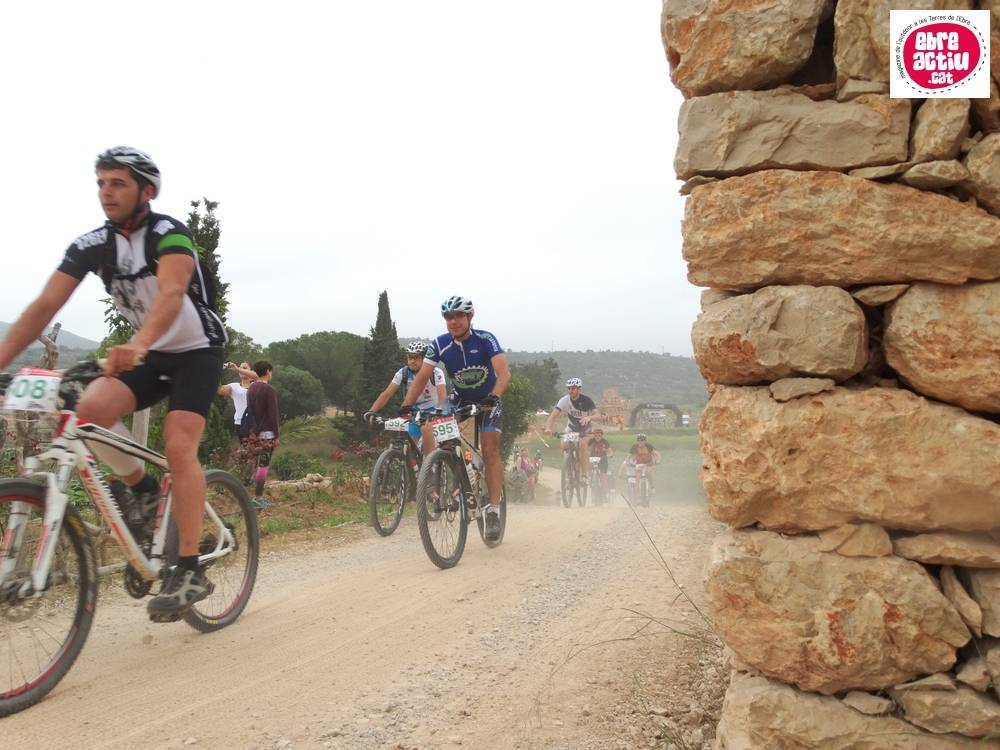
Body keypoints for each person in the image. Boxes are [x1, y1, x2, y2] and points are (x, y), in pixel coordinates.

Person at [0, 146, 225, 622]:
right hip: (150, 352)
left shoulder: (169, 234)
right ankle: (142, 489)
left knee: (179, 444)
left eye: (118, 183)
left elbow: (171, 293)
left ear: (147, 191)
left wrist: (138, 343)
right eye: (101, 183)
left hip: (195, 350)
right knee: (88, 412)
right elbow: (43, 307)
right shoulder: (92, 245)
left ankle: (189, 568)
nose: (106, 192)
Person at [397, 296, 510, 542]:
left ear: (470, 316)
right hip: (459, 399)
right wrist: (406, 404)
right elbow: (421, 377)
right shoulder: (440, 343)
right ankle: (449, 472)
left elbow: (503, 373)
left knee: (490, 450)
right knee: (436, 428)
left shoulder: (486, 339)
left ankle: (492, 511)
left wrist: (494, 396)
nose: (453, 321)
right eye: (448, 317)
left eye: (458, 316)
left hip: (488, 399)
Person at [363, 341, 447, 454]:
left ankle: (430, 462)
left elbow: (442, 396)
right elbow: (386, 394)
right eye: (409, 357)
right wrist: (372, 411)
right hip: (414, 412)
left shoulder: (435, 372)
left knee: (426, 431)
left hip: (433, 410)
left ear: (424, 359)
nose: (411, 361)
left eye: (415, 357)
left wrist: (440, 412)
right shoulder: (403, 373)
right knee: (409, 448)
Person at [543, 378, 603, 484]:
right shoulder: (564, 400)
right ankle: (569, 464)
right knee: (563, 444)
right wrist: (548, 428)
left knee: (583, 445)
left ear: (579, 389)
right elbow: (553, 416)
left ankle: (584, 475)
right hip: (571, 428)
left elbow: (598, 415)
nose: (570, 391)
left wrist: (589, 417)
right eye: (569, 388)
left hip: (585, 429)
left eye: (573, 388)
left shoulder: (587, 400)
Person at [244, 361, 279, 509]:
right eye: (271, 371)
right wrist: (277, 435)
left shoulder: (251, 388)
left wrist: (253, 431)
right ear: (267, 371)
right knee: (263, 466)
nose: (271, 374)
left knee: (254, 463)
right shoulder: (269, 390)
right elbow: (273, 415)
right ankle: (258, 497)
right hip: (267, 434)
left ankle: (246, 495)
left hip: (254, 432)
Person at [217, 361, 258, 439]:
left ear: (251, 371)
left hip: (256, 423)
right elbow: (220, 390)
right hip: (240, 423)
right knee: (246, 446)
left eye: (244, 368)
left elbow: (257, 376)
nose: (241, 370)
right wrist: (216, 372)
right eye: (240, 367)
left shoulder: (257, 384)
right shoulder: (234, 386)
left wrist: (237, 369)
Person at [588, 427, 613, 495]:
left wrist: (609, 455)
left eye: (599, 435)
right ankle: (589, 477)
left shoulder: (605, 442)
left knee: (603, 477)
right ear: (594, 435)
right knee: (589, 464)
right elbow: (586, 449)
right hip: (593, 459)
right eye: (596, 435)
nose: (597, 437)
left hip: (602, 460)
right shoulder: (591, 441)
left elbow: (610, 451)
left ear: (602, 435)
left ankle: (605, 493)